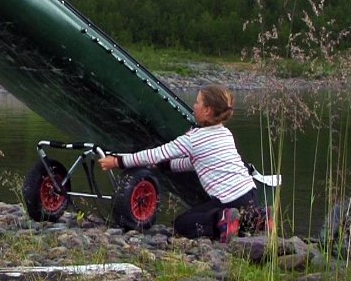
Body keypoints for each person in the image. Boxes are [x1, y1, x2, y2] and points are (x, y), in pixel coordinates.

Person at [99, 84, 257, 242]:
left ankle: (221, 219)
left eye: (197, 102)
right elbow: (193, 163)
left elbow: (156, 154)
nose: (194, 106)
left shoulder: (194, 139)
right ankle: (255, 217)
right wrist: (164, 166)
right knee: (226, 216)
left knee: (181, 225)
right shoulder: (225, 133)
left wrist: (117, 161)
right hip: (250, 194)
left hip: (230, 200)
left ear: (207, 110)